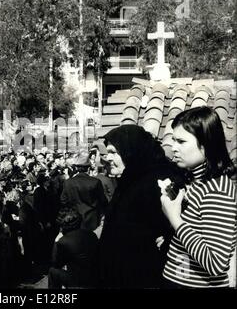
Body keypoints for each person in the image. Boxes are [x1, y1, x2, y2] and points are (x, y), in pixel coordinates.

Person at [98, 125, 184, 289]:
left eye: (114, 152)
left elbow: (174, 229)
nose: (107, 158)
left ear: (132, 151)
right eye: (107, 152)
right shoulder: (129, 180)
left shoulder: (157, 182)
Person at [160, 107, 236, 288]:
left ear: (206, 145)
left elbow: (215, 264)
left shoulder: (217, 190)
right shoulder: (195, 180)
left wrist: (175, 219)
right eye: (173, 140)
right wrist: (172, 237)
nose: (173, 147)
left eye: (181, 141)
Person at [48, 208, 99, 289]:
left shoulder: (63, 241)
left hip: (78, 281)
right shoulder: (91, 234)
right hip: (95, 276)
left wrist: (57, 240)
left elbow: (56, 263)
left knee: (52, 271)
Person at [60, 151, 108, 231]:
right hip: (92, 220)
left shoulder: (68, 182)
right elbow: (103, 201)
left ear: (76, 168)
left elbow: (63, 200)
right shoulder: (95, 182)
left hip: (74, 220)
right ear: (88, 168)